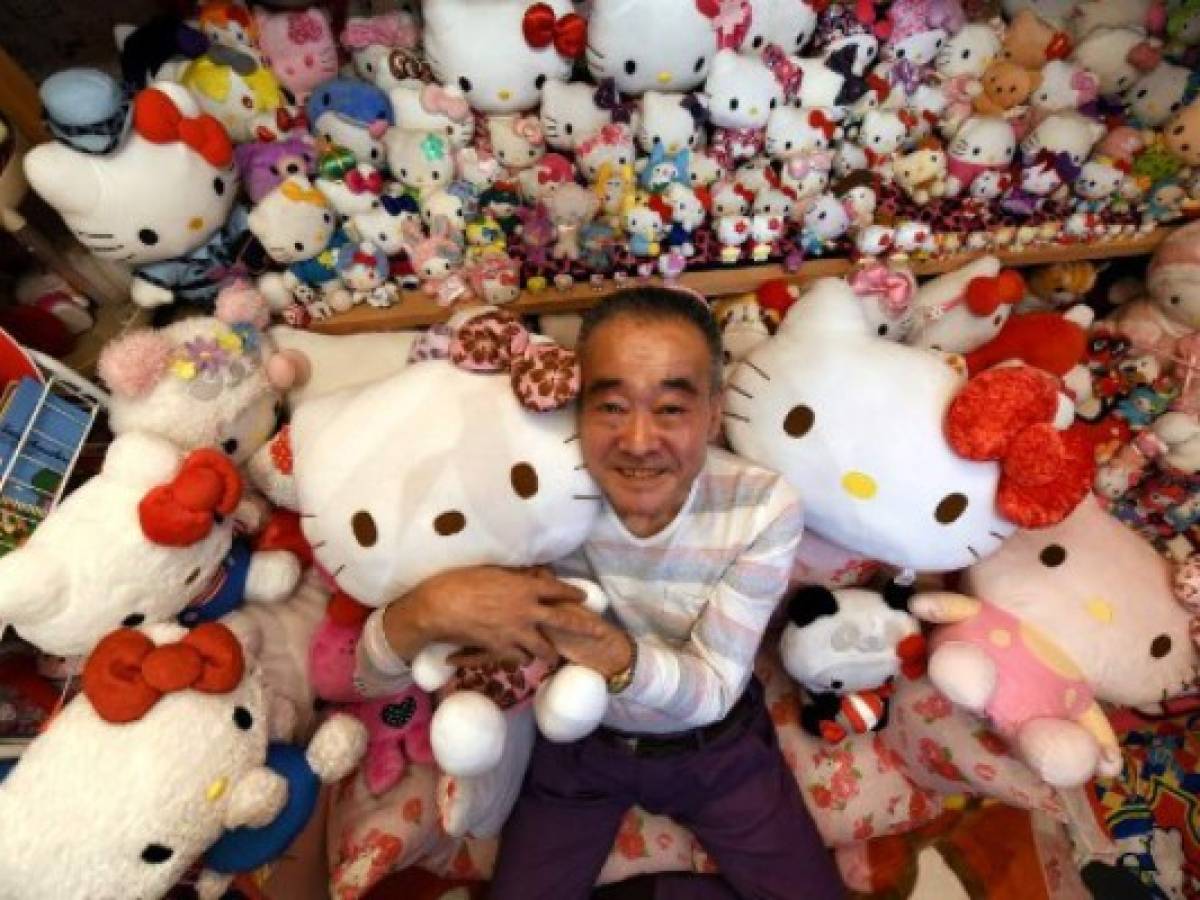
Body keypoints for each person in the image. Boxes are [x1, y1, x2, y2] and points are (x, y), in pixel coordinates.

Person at [363, 288, 844, 900]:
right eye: (611, 406)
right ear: (576, 409)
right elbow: (366, 678)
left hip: (719, 749)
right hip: (578, 749)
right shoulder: (532, 496)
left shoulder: (761, 506)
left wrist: (610, 653)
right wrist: (428, 611)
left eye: (671, 408)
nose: (639, 441)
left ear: (714, 415)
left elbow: (716, 688)